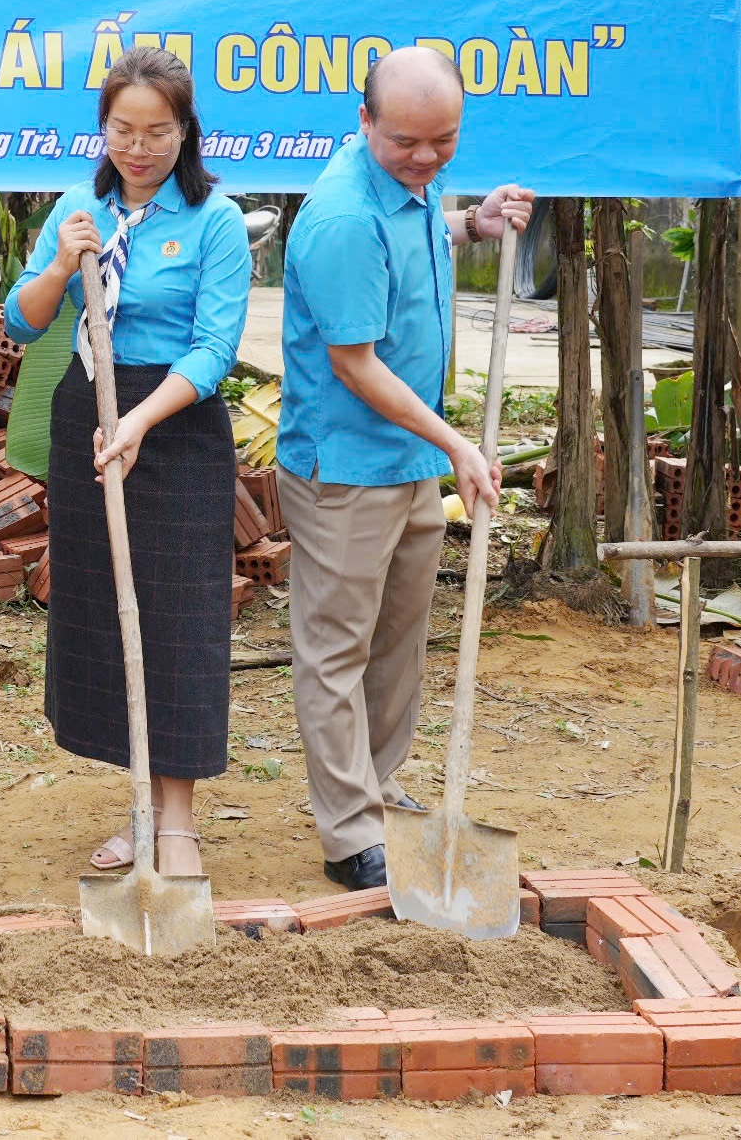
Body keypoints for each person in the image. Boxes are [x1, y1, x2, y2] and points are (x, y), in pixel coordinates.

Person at [275, 45, 534, 891]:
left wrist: (471, 222)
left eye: (443, 140)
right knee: (336, 649)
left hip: (411, 459)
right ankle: (352, 832)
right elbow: (355, 361)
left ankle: (377, 789)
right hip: (347, 469)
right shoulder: (343, 216)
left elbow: (416, 236)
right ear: (364, 123)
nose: (425, 158)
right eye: (405, 143)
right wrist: (459, 443)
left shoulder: (411, 192)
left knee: (398, 643)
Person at [1, 46, 251, 879]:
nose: (138, 148)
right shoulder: (78, 207)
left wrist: (142, 418)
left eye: (158, 131)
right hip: (90, 413)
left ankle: (176, 820)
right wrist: (63, 264)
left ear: (186, 131)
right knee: (110, 616)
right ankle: (138, 800)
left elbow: (217, 346)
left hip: (174, 425)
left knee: (178, 617)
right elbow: (23, 322)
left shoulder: (214, 218)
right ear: (102, 128)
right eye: (122, 130)